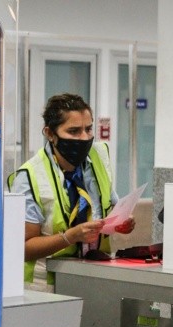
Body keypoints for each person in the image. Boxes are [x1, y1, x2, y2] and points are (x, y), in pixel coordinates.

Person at [9, 93, 135, 290]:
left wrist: (122, 221)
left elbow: (109, 207)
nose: (84, 138)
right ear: (50, 134)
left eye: (88, 129)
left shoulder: (99, 157)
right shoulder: (30, 176)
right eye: (74, 131)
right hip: (46, 287)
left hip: (94, 278)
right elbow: (22, 248)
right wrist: (69, 237)